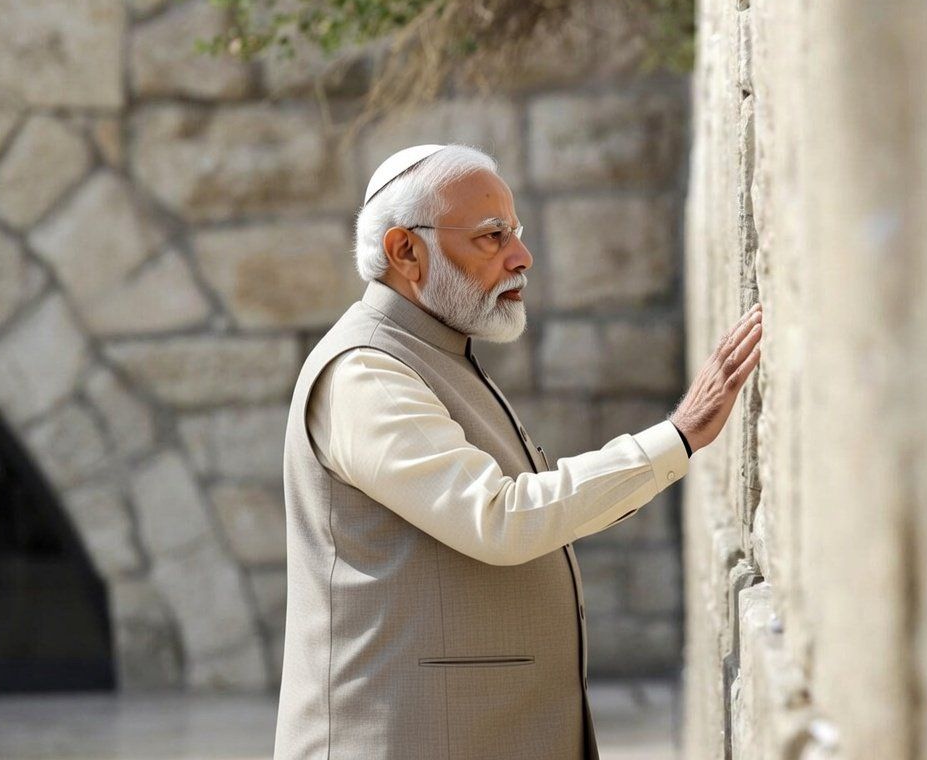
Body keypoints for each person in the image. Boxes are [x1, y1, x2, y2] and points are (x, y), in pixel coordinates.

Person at [273, 143, 762, 760]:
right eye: (491, 236)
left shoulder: (435, 353)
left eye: (516, 232)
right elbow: (498, 518)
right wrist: (679, 436)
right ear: (405, 251)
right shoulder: (366, 373)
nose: (521, 257)